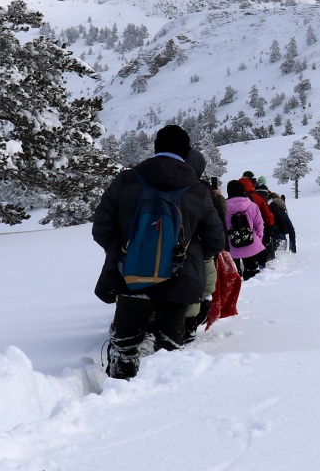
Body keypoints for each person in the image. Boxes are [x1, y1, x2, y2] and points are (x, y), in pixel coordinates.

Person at [92, 125, 226, 380]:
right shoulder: (197, 189)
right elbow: (215, 239)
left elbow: (101, 228)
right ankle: (161, 405)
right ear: (186, 151)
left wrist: (125, 253)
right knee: (170, 355)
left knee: (125, 346)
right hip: (178, 282)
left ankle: (115, 397)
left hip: (130, 277)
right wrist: (188, 257)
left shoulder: (127, 180)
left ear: (155, 148)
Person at [224, 179, 268, 279]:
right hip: (251, 243)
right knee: (252, 271)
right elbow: (259, 225)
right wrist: (259, 239)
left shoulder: (223, 208)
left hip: (231, 246)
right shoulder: (252, 206)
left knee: (233, 274)